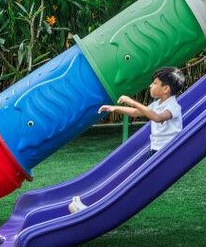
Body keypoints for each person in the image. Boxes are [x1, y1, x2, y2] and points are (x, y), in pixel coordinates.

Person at [69, 67, 186, 214]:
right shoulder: (158, 104)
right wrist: (115, 108)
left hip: (166, 154)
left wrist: (131, 101)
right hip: (156, 151)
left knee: (135, 184)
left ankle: (98, 210)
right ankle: (98, 207)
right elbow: (137, 112)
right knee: (134, 182)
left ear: (165, 89)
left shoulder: (173, 107)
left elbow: (157, 117)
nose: (150, 86)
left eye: (155, 83)